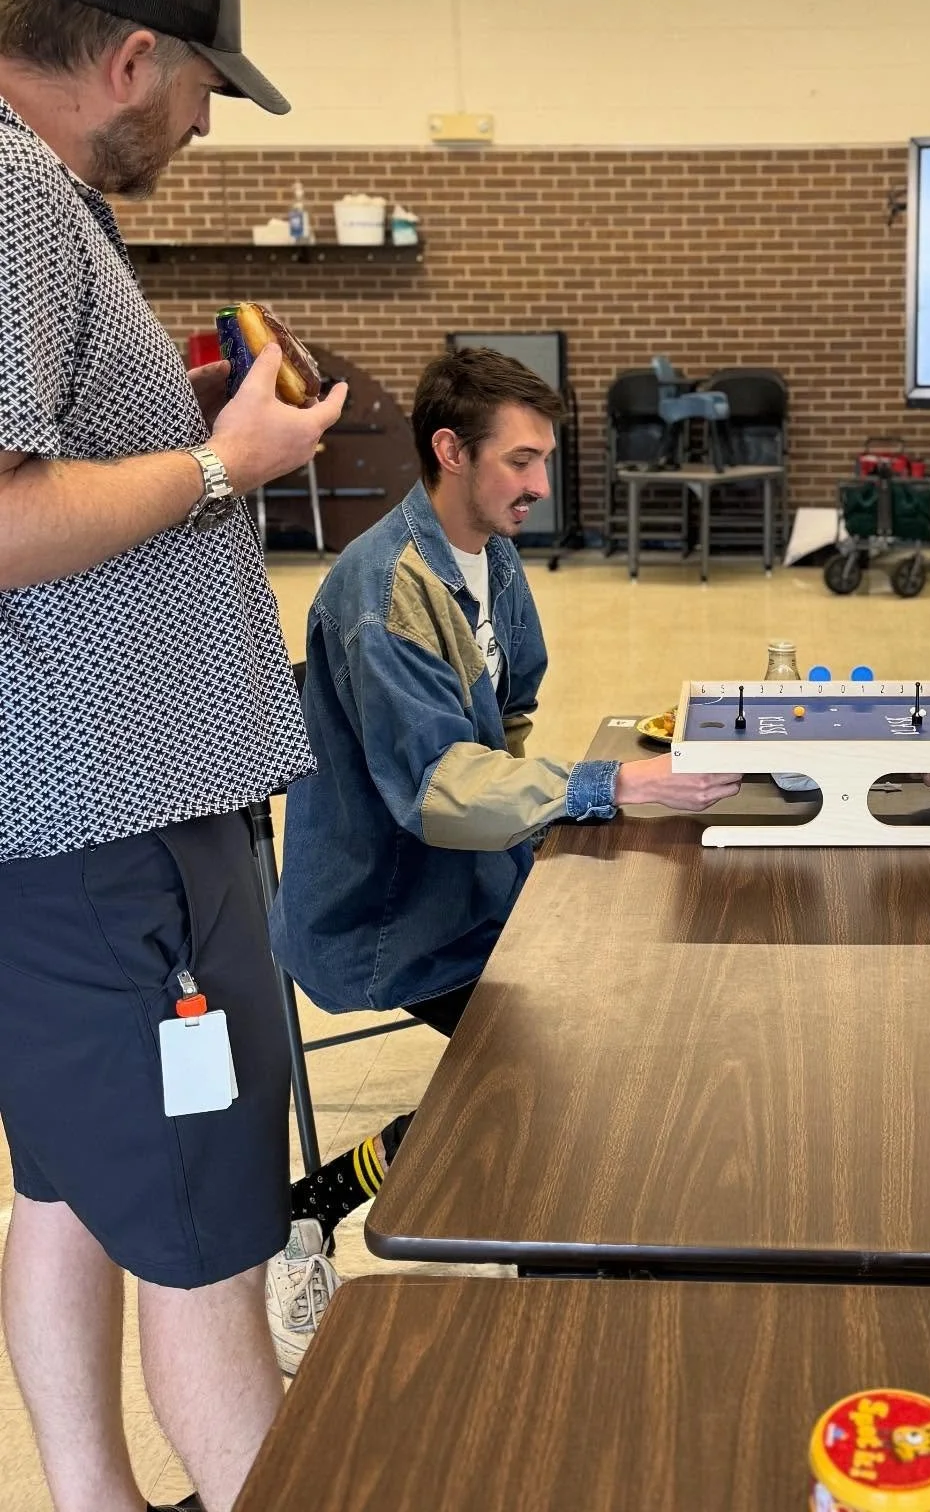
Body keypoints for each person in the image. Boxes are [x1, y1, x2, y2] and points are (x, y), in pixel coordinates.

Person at [0, 0, 347, 1512]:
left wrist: (199, 440)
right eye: (209, 87)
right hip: (118, 832)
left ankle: (91, 1497)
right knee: (209, 1224)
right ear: (134, 57)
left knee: (71, 1188)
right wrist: (231, 458)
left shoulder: (37, 197)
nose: (205, 125)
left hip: (74, 827)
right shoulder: (9, 188)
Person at [268, 348, 739, 1344]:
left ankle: (333, 1200)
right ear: (449, 450)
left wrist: (542, 825)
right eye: (521, 462)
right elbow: (441, 792)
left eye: (544, 461)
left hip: (473, 872)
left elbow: (508, 717)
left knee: (626, 1001)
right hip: (387, 913)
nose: (540, 485)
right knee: (573, 1059)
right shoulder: (382, 597)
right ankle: (547, 1303)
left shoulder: (492, 556)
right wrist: (609, 787)